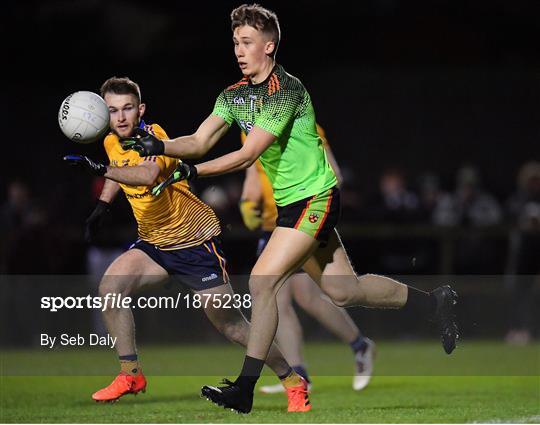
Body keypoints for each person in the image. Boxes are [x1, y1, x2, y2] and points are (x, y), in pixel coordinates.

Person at [122, 4, 459, 414]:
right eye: (235, 43)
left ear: (269, 46)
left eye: (246, 43)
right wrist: (161, 146)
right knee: (343, 291)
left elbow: (248, 155)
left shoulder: (287, 91)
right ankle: (434, 303)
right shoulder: (234, 96)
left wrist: (190, 172)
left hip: (316, 198)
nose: (239, 51)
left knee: (262, 282)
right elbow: (197, 139)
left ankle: (245, 388)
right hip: (292, 206)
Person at [63, 76, 310, 411]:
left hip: (196, 244)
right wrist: (103, 205)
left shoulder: (155, 138)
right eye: (112, 111)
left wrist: (100, 170)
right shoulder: (110, 141)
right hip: (154, 244)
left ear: (141, 110)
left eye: (127, 108)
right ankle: (130, 373)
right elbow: (119, 171)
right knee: (111, 288)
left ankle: (292, 381)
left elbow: (146, 175)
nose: (120, 117)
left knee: (232, 325)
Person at [239, 125, 375, 393]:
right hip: (271, 226)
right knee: (277, 299)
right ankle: (300, 374)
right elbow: (252, 168)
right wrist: (247, 200)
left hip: (301, 221)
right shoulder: (248, 127)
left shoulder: (301, 122)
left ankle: (360, 346)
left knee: (309, 297)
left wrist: (304, 203)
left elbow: (334, 173)